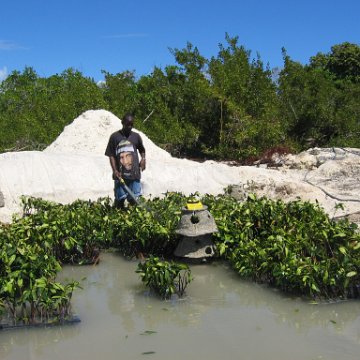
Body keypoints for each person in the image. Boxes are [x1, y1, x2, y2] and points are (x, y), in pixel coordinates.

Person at [105, 113, 146, 208]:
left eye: (132, 124)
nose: (130, 127)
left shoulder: (136, 136)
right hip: (120, 176)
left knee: (135, 201)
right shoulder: (115, 137)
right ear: (122, 123)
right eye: (128, 124)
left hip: (134, 175)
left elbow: (142, 150)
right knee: (120, 201)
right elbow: (111, 155)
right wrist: (114, 170)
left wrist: (143, 159)